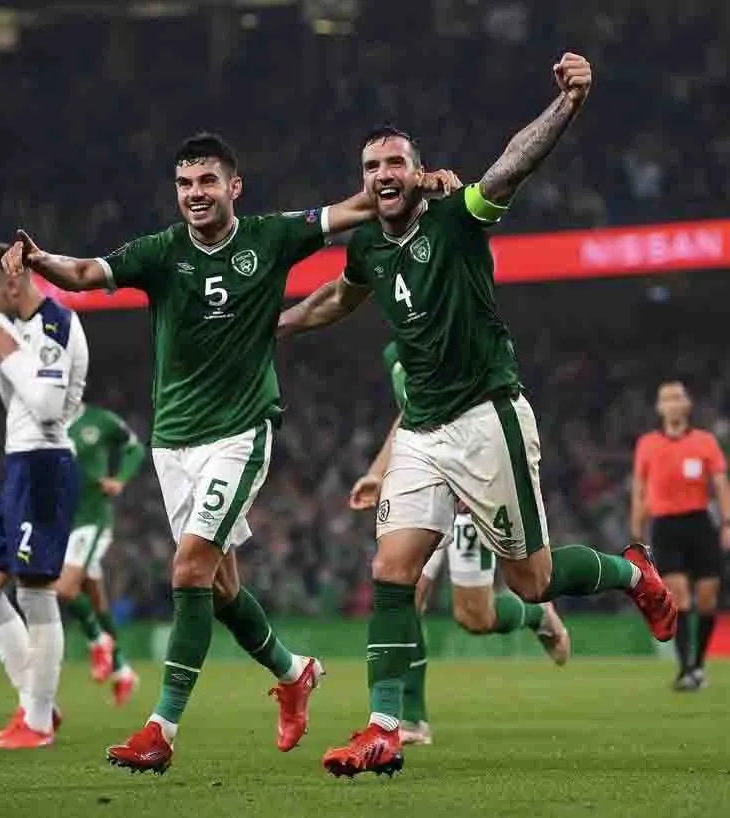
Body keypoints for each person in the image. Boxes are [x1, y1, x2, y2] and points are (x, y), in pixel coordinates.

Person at [0, 131, 459, 774]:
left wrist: (419, 182)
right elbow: (83, 274)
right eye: (186, 184)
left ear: (233, 187)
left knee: (188, 571)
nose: (195, 195)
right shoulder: (160, 252)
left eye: (208, 182)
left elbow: (354, 206)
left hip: (240, 433)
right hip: (172, 443)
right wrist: (41, 259)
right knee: (218, 589)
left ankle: (160, 730)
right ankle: (294, 673)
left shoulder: (271, 237)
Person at [278, 53, 677, 778]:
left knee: (530, 581)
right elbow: (339, 299)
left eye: (396, 161)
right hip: (422, 432)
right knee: (392, 570)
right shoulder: (367, 244)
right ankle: (383, 728)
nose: (383, 174)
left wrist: (567, 105)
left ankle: (631, 571)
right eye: (372, 165)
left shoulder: (456, 222)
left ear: (417, 170)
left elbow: (509, 167)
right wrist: (275, 325)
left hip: (487, 419)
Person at [349, 342, 570, 746]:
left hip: (473, 486)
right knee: (404, 590)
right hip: (428, 483)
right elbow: (408, 415)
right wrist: (377, 472)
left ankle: (536, 615)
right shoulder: (394, 352)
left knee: (474, 617)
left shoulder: (465, 330)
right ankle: (411, 719)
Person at [0, 241, 88, 749]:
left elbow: (46, 405)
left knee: (35, 592)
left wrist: (7, 350)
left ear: (13, 283)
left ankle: (35, 724)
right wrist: (7, 342)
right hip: (18, 463)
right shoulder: (16, 327)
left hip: (43, 464)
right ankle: (38, 704)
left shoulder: (54, 325)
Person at [631, 381, 730, 691]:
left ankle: (699, 664)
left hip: (700, 523)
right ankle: (685, 669)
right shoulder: (647, 444)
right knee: (679, 597)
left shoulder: (705, 442)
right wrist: (637, 526)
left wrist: (727, 522)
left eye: (678, 398)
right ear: (660, 408)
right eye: (667, 399)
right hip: (665, 526)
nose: (673, 403)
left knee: (707, 599)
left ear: (687, 405)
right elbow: (640, 489)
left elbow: (720, 484)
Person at [57, 402, 146, 706]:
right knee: (96, 602)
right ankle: (122, 671)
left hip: (92, 519)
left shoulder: (100, 420)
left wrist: (120, 479)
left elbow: (135, 447)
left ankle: (100, 642)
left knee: (65, 589)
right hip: (64, 522)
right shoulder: (43, 423)